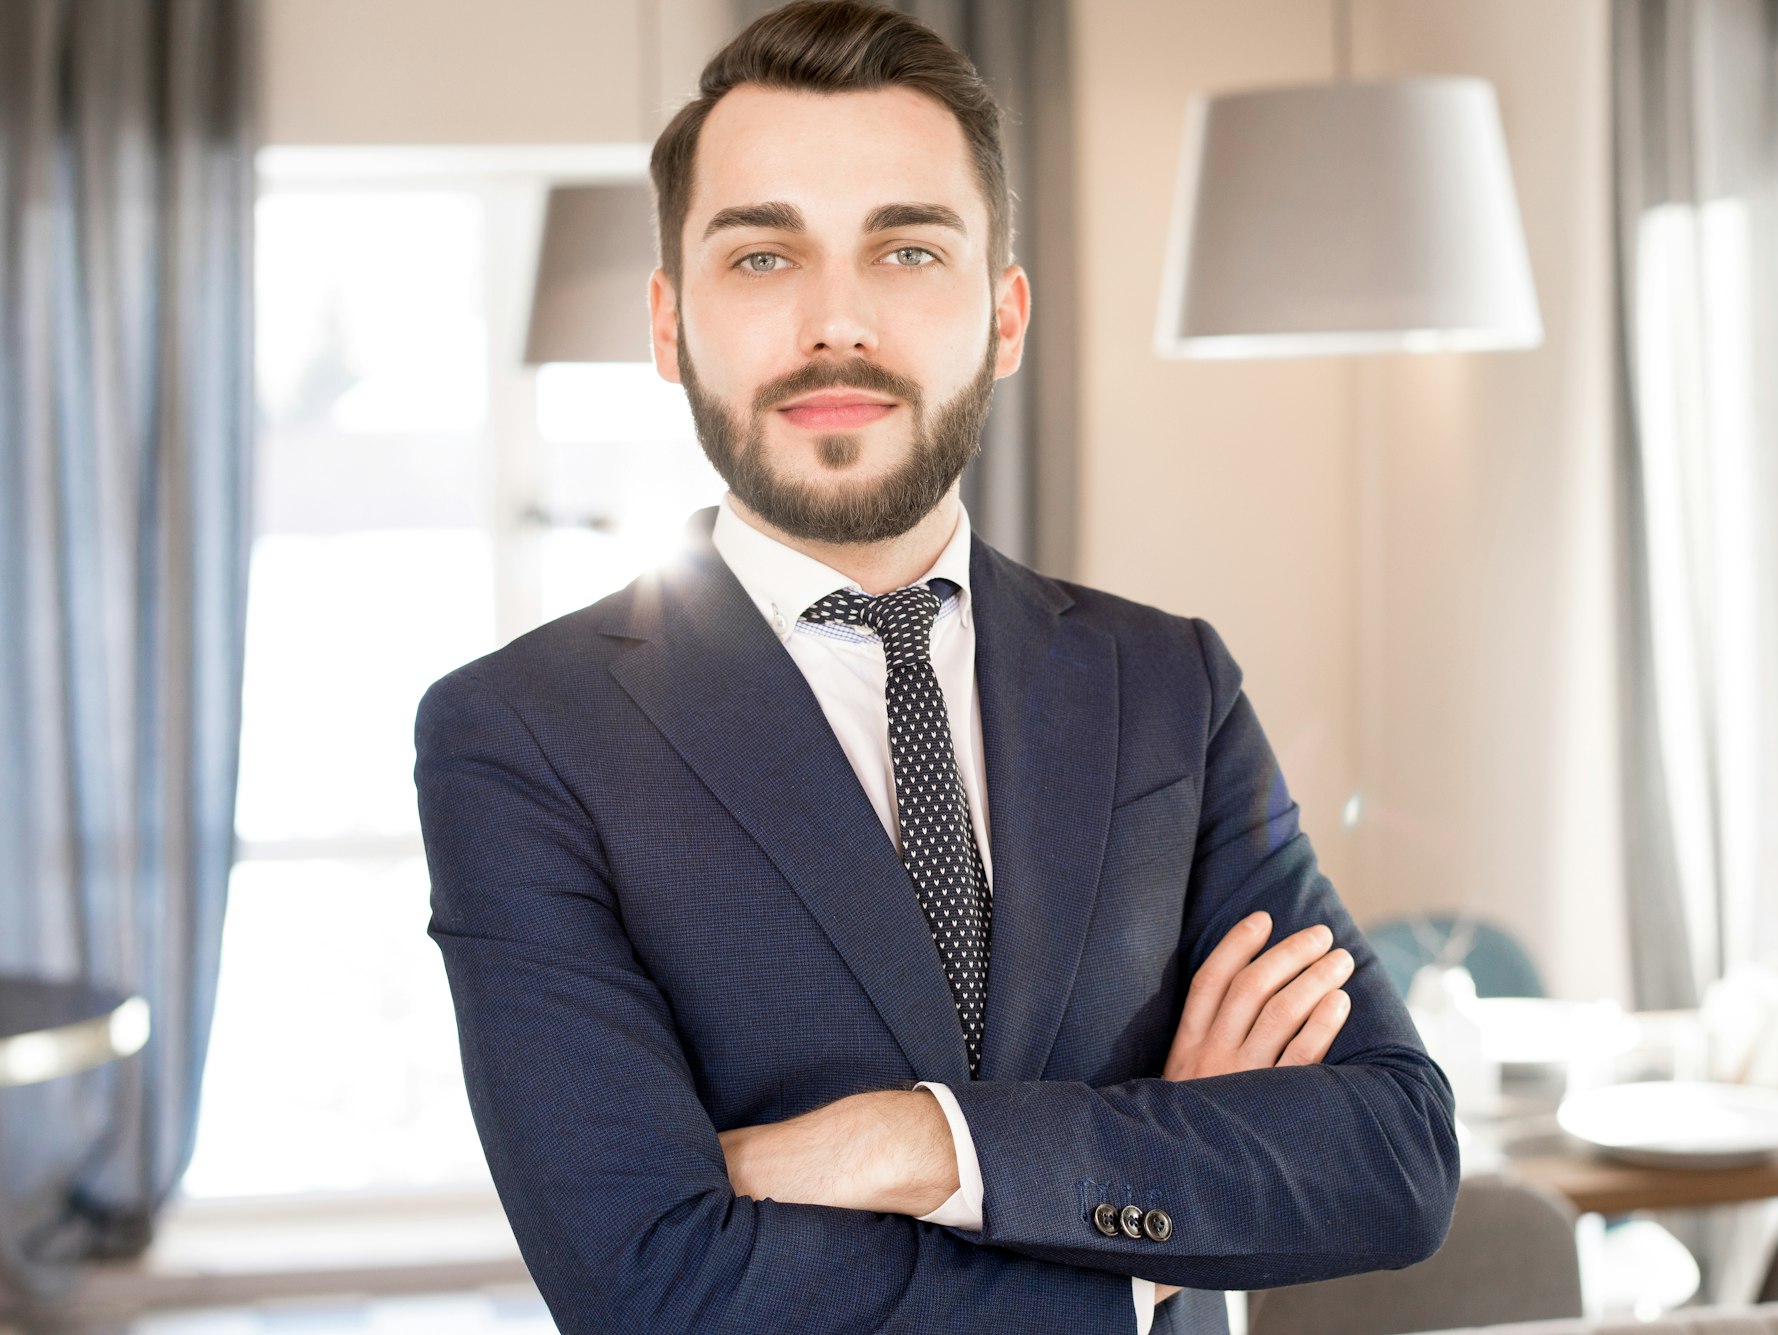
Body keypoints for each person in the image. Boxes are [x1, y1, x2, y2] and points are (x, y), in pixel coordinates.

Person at [413, 3, 1458, 1331]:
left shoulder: (1167, 687)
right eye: (761, 258)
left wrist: (924, 1145)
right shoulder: (522, 737)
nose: (834, 320)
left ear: (1004, 315)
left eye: (907, 249)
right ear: (669, 327)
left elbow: (1394, 1157)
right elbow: (650, 1288)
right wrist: (1144, 1245)